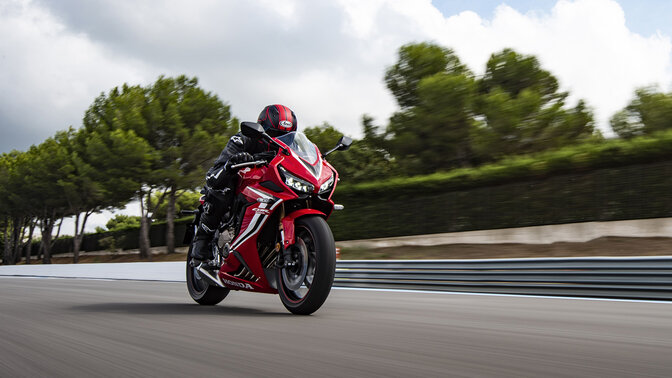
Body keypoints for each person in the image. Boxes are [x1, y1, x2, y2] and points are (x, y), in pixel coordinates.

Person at [191, 104, 298, 262]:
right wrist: (233, 162)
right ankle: (202, 240)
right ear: (261, 128)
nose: (278, 139)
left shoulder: (292, 147)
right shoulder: (242, 139)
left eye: (285, 136)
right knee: (223, 186)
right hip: (240, 186)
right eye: (274, 134)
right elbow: (213, 176)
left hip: (271, 185)